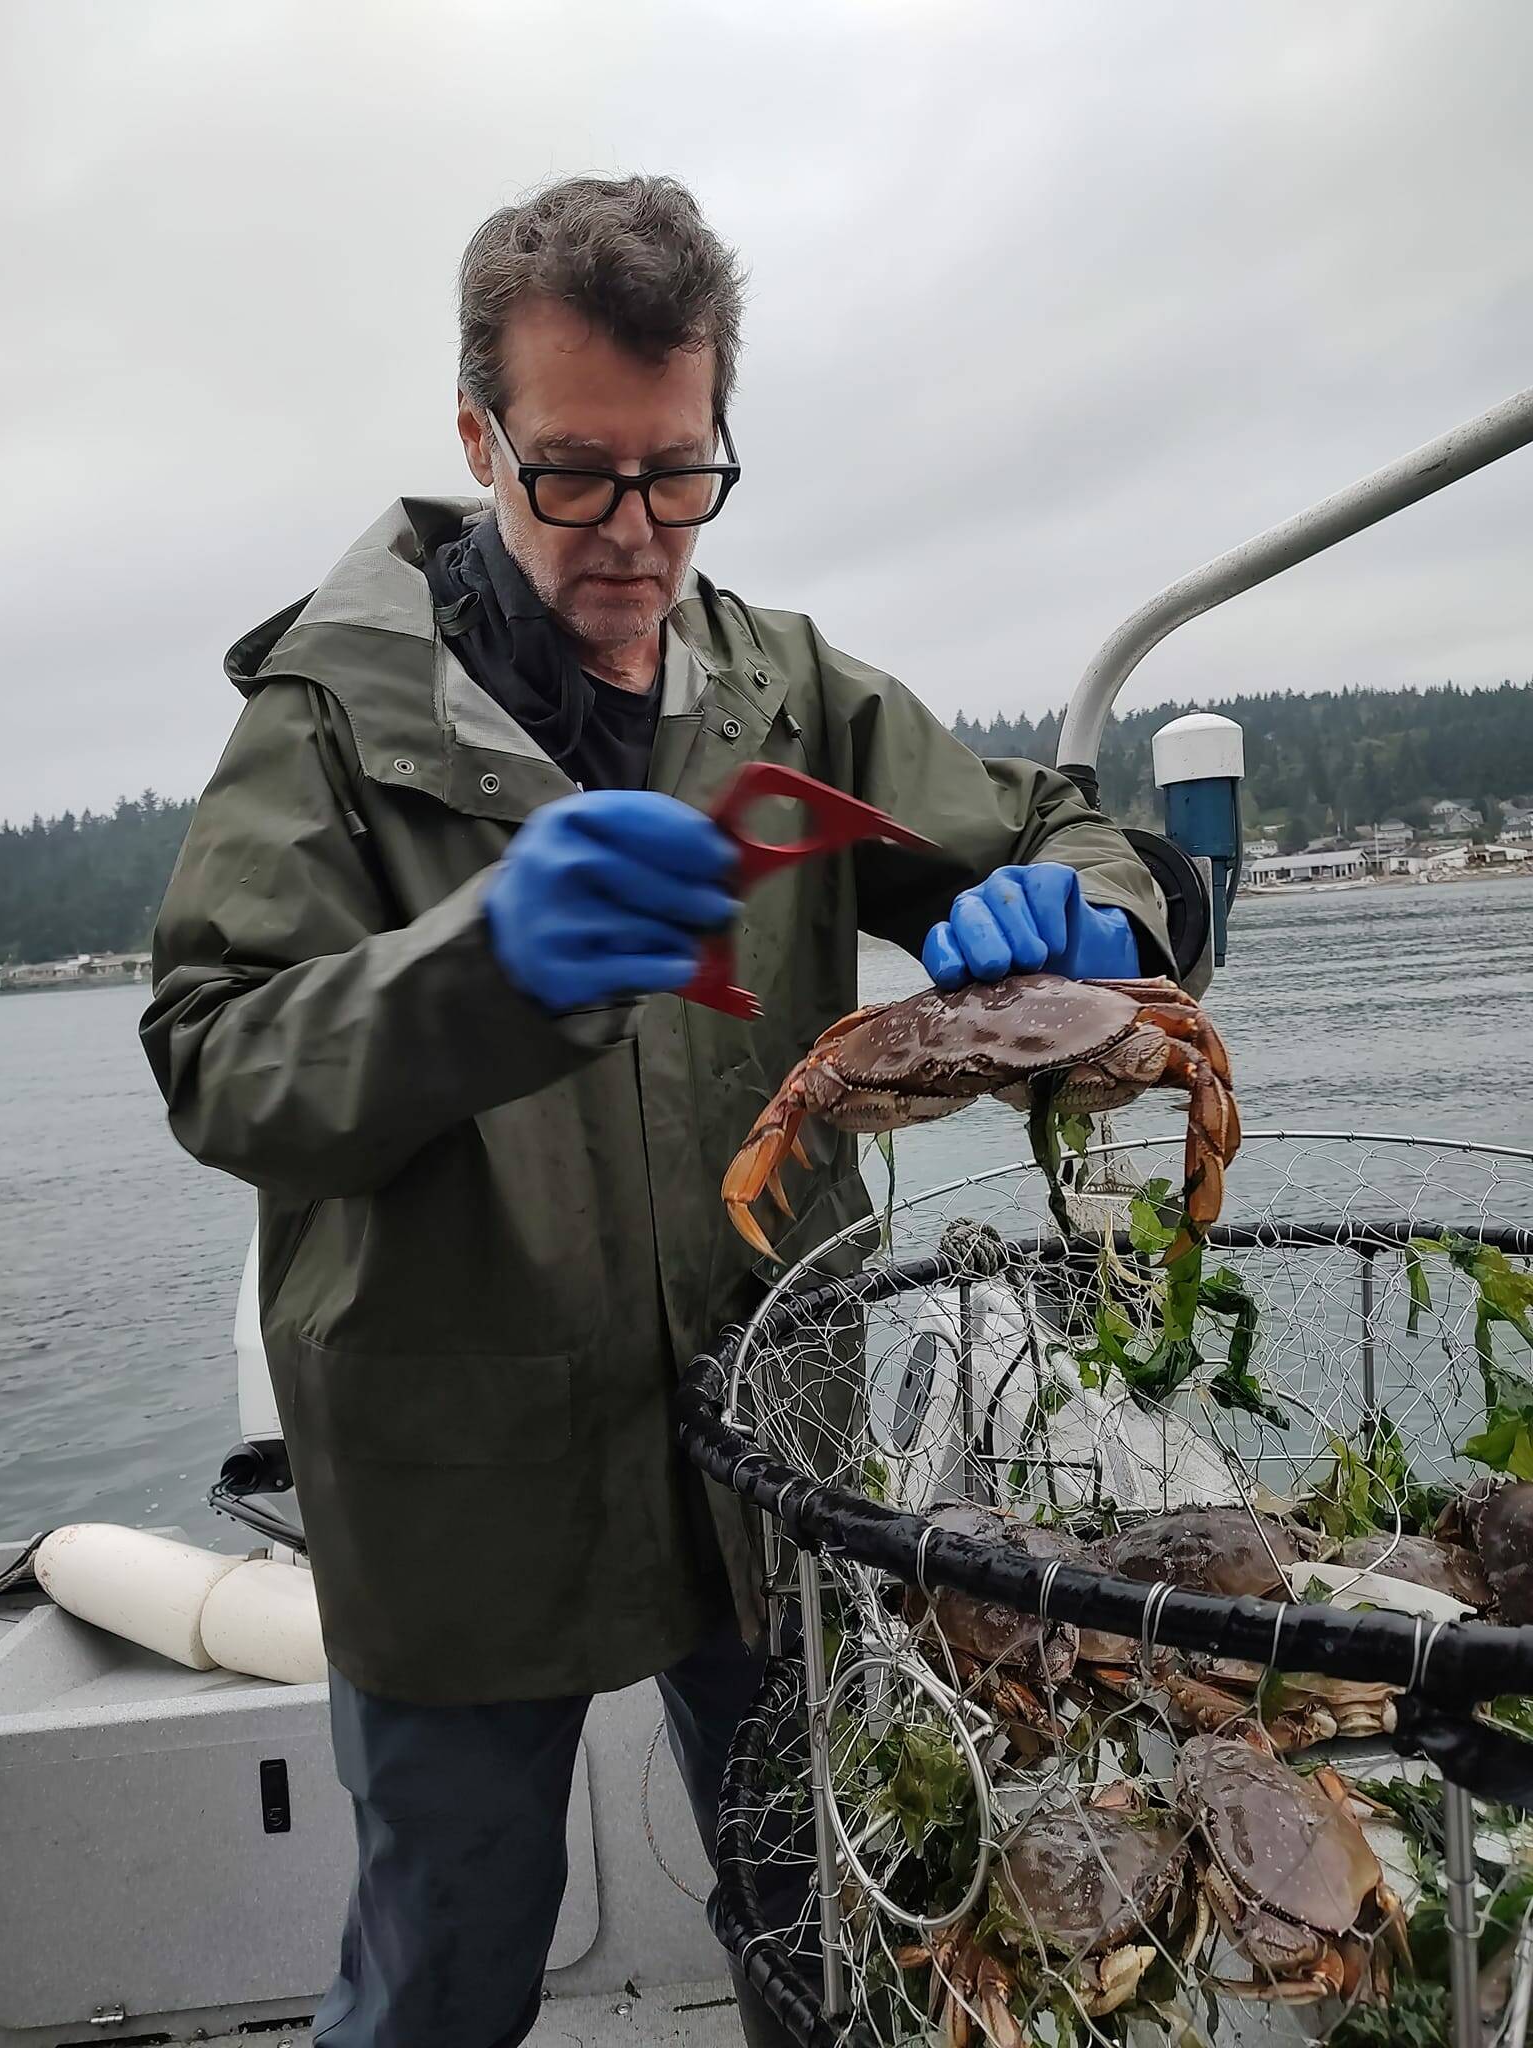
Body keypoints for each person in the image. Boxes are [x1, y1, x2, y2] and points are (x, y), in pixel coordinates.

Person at [141, 174, 1174, 2048]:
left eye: (679, 471)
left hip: (765, 1446)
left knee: (833, 1914)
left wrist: (1092, 900)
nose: (634, 535)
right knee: (448, 1958)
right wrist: (478, 972)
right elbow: (218, 1058)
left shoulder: (783, 690)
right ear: (479, 435)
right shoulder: (326, 723)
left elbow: (1047, 823)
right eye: (572, 474)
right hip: (453, 1474)